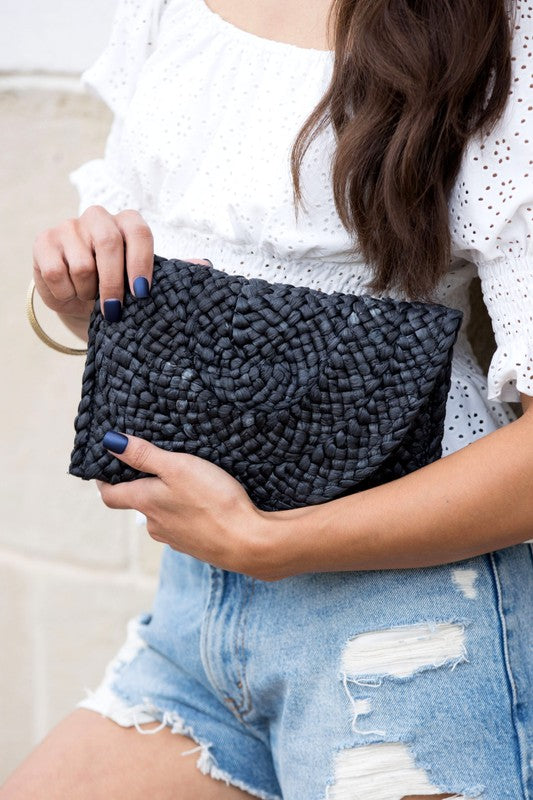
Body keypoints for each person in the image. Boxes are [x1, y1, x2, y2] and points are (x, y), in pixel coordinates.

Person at [2, 0, 532, 798]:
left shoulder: (500, 23)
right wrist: (91, 295)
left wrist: (270, 542)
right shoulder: (166, 10)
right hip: (194, 616)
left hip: (407, 634)